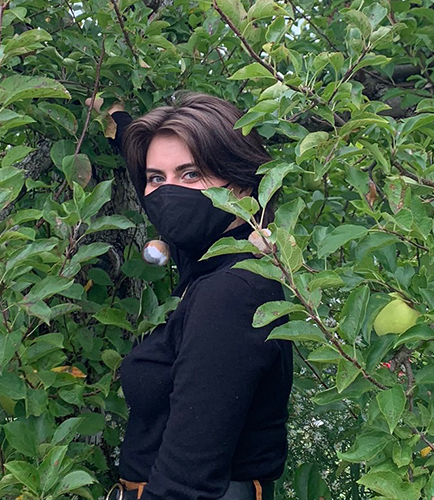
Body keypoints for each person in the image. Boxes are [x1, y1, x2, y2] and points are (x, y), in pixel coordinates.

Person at [105, 93, 293, 500]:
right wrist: (119, 121)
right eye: (157, 178)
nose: (169, 194)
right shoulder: (208, 265)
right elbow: (156, 189)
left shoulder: (231, 293)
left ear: (242, 185)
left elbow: (185, 486)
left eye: (190, 174)